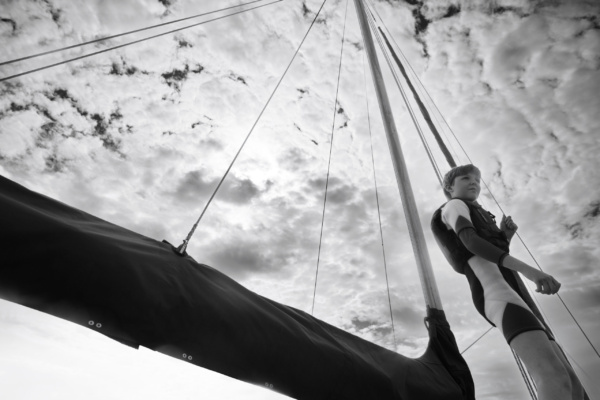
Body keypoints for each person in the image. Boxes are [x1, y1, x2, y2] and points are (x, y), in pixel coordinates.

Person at [430, 164, 584, 400]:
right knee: (553, 375)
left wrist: (504, 237)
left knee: (570, 382)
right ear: (449, 187)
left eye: (477, 180)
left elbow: (488, 253)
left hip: (514, 297)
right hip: (498, 295)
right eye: (465, 178)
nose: (474, 183)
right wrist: (530, 271)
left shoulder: (470, 209)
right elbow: (470, 242)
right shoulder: (453, 205)